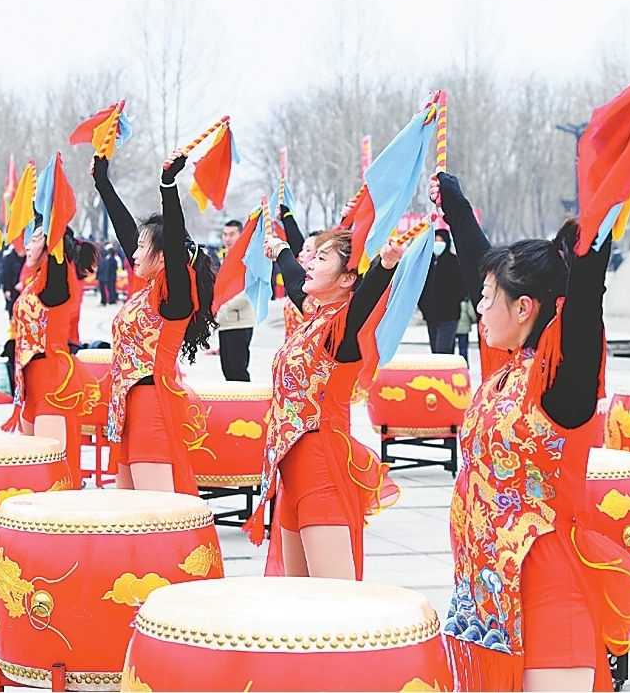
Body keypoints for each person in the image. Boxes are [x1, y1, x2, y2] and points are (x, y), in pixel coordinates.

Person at [432, 173, 630, 691]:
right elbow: (478, 264)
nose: (478, 306)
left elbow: (582, 306)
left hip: (547, 600)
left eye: (488, 298)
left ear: (524, 308)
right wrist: (454, 204)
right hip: (487, 602)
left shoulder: (559, 385)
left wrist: (594, 240)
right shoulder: (506, 368)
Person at [243, 228, 402, 580]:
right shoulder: (315, 315)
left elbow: (365, 299)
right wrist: (281, 249)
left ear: (347, 279)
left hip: (321, 470)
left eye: (321, 258)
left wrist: (385, 264)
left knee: (334, 598)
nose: (310, 263)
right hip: (292, 472)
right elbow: (295, 279)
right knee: (299, 597)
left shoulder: (342, 331)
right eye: (312, 256)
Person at [91, 150, 217, 495]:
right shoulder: (145, 289)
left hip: (152, 407)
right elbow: (124, 231)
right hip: (125, 407)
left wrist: (168, 185)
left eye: (141, 247)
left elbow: (173, 242)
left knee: (155, 512)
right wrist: (102, 182)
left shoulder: (173, 296)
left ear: (163, 257)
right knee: (128, 515)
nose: (132, 253)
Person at [3, 223, 101, 488]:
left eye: (35, 239)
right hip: (31, 384)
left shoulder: (57, 281)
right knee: (31, 474)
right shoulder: (37, 282)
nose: (28, 245)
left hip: (52, 382)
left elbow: (55, 241)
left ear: (51, 246)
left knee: (51, 474)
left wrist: (53, 212)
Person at [217, 220, 256, 381]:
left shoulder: (248, 258)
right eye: (225, 234)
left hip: (240, 323)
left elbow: (248, 291)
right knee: (227, 370)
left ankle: (246, 398)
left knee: (238, 371)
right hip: (224, 323)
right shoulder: (222, 257)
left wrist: (224, 306)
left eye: (232, 234)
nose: (227, 238)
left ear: (241, 235)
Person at [418, 228, 468, 354]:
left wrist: (452, 302)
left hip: (449, 316)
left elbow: (462, 288)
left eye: (441, 241)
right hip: (431, 316)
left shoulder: (454, 263)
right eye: (435, 241)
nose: (438, 244)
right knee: (435, 351)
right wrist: (423, 306)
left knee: (443, 350)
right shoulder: (426, 263)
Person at [277, 205, 320, 337]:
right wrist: (286, 216)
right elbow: (295, 241)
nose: (300, 254)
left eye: (308, 250)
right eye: (302, 249)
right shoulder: (303, 278)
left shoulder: (322, 290)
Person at [456, 298, 478, 366]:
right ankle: (464, 364)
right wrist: (474, 320)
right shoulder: (466, 299)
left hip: (452, 326)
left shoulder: (453, 298)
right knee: (463, 348)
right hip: (464, 328)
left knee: (450, 348)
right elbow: (471, 312)